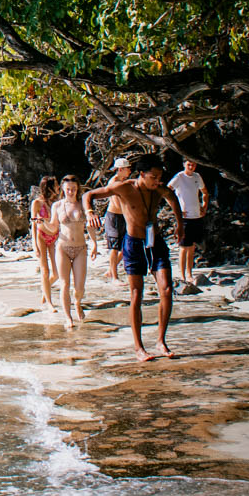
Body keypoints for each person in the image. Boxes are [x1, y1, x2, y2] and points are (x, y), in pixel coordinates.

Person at [83, 155, 184, 362]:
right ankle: (139, 347)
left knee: (166, 289)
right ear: (141, 174)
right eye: (153, 177)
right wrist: (90, 212)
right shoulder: (124, 188)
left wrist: (180, 224)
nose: (157, 181)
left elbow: (173, 199)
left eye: (159, 177)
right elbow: (90, 194)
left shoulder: (158, 189)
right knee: (137, 294)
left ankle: (161, 341)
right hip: (133, 244)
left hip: (155, 242)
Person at [51, 176, 98, 329]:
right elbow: (53, 227)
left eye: (74, 189)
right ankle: (68, 317)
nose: (71, 192)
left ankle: (77, 303)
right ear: (63, 190)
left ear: (78, 189)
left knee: (79, 288)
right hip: (62, 248)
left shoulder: (83, 205)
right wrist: (41, 223)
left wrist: (95, 243)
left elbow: (90, 225)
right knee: (64, 284)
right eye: (68, 189)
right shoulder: (57, 206)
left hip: (80, 249)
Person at [167, 158, 209, 285]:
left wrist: (204, 206)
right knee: (183, 248)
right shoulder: (179, 177)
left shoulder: (197, 176)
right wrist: (176, 209)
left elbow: (205, 192)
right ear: (184, 164)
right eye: (189, 164)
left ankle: (190, 274)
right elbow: (167, 192)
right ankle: (183, 275)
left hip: (196, 216)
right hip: (184, 218)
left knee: (192, 247)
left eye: (193, 165)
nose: (191, 167)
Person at [30, 175, 60, 310]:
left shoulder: (57, 202)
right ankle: (49, 303)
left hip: (54, 238)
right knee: (45, 271)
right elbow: (33, 226)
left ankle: (44, 290)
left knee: (56, 273)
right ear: (49, 187)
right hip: (41, 237)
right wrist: (34, 245)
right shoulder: (37, 203)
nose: (58, 187)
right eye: (56, 185)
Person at [101, 157, 132, 281]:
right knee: (114, 247)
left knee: (125, 246)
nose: (130, 170)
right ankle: (114, 276)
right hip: (114, 217)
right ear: (120, 169)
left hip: (122, 216)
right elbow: (116, 202)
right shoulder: (114, 182)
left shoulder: (123, 181)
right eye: (128, 168)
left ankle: (110, 270)